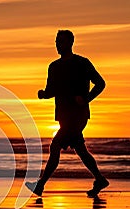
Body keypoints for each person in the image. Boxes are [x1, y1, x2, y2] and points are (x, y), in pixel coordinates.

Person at [26, 30, 109, 197]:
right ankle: (99, 179)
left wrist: (86, 99)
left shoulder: (82, 63)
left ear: (70, 43)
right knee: (80, 150)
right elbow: (52, 91)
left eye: (61, 41)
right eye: (57, 41)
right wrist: (43, 94)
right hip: (63, 116)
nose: (58, 44)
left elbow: (101, 83)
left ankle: (40, 185)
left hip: (78, 115)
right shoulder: (54, 66)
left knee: (55, 145)